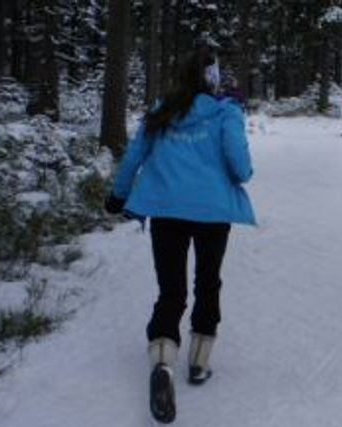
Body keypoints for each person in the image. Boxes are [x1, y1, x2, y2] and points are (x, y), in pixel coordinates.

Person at [105, 48, 255, 424]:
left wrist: (119, 195)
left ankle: (162, 362)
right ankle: (199, 363)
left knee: (170, 289)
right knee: (208, 282)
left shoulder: (161, 110)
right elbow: (241, 168)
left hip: (166, 209)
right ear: (213, 79)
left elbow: (133, 156)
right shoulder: (225, 112)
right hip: (211, 212)